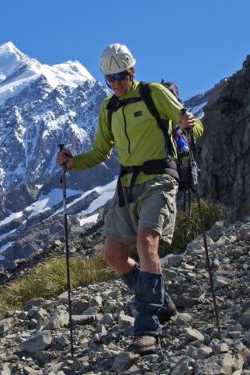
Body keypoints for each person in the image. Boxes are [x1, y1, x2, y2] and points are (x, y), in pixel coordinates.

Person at [56, 43, 203, 354]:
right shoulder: (108, 108)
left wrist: (189, 126)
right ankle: (160, 302)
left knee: (146, 242)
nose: (116, 83)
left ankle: (147, 326)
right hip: (127, 185)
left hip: (160, 180)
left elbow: (191, 123)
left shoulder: (153, 94)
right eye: (109, 79)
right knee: (113, 254)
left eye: (120, 76)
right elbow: (99, 152)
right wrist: (72, 163)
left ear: (132, 72)